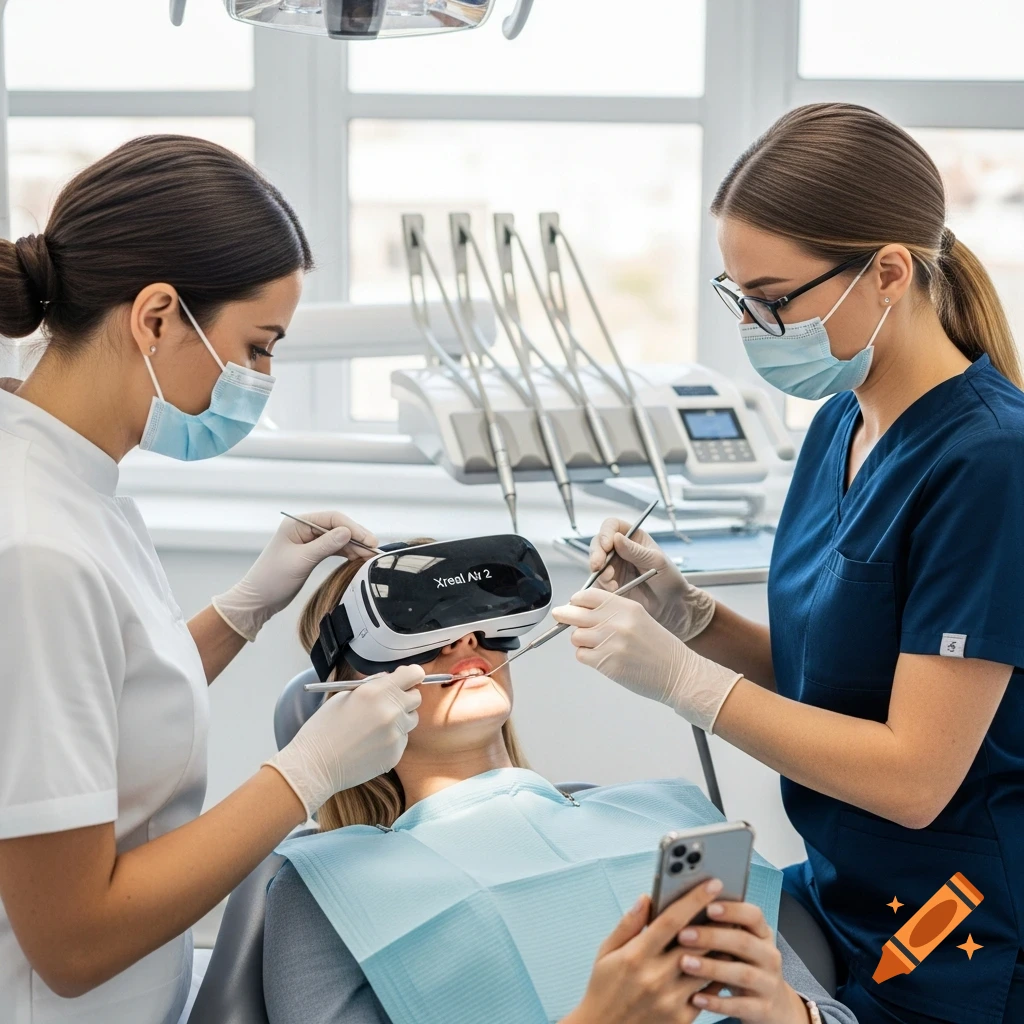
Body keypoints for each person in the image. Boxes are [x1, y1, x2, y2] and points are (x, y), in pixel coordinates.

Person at [552, 102, 1024, 1024]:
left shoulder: (990, 462)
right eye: (740, 297)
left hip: (955, 920)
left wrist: (686, 681)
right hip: (841, 886)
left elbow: (914, 777)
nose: (757, 325)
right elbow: (836, 684)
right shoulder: (839, 424)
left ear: (888, 271)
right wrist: (691, 618)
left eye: (774, 298)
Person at [0, 136, 424, 1024]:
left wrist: (245, 609)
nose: (261, 380)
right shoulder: (33, 548)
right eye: (258, 346)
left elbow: (102, 707)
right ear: (156, 316)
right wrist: (306, 773)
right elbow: (72, 943)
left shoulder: (76, 479)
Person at [262, 546, 858, 1024]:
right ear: (350, 685)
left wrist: (785, 1011)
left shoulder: (661, 817)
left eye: (475, 620)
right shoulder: (327, 884)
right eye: (420, 630)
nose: (464, 641)